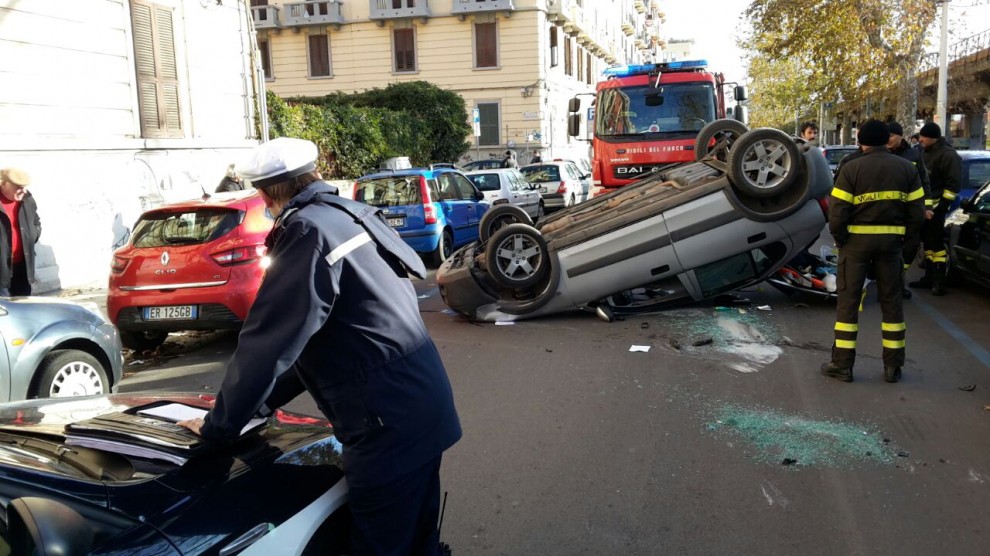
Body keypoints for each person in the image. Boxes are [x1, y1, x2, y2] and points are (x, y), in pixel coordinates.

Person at [176, 137, 462, 555]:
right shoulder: (343, 214)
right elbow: (309, 345)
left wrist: (218, 428)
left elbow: (268, 343)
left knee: (379, 547)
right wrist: (255, 408)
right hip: (418, 409)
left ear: (265, 194)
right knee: (417, 541)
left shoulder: (306, 231)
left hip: (388, 428)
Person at [821, 120, 924, 384]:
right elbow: (916, 214)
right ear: (885, 140)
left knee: (848, 303)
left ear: (862, 141)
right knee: (892, 304)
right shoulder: (907, 168)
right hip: (891, 245)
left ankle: (842, 365)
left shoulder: (851, 168)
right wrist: (906, 243)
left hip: (856, 245)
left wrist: (842, 240)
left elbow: (837, 214)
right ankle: (893, 367)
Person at [909, 122, 962, 296]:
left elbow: (953, 185)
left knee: (936, 245)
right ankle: (929, 278)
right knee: (928, 244)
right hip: (924, 207)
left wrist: (942, 207)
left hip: (937, 209)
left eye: (924, 137)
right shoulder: (924, 152)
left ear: (933, 138)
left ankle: (939, 282)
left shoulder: (948, 155)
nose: (921, 139)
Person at [886, 122, 932, 300]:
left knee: (909, 248)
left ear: (900, 136)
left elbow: (924, 182)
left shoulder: (913, 154)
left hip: (910, 211)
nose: (888, 140)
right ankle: (888, 283)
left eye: (891, 136)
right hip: (888, 211)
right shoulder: (881, 154)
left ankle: (899, 282)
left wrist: (927, 207)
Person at [0, 168, 42, 297]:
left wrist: (33, 235)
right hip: (1, 269)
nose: (23, 191)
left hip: (22, 267)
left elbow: (36, 222)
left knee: (24, 309)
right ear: (4, 184)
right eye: (19, 187)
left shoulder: (27, 199)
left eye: (24, 187)